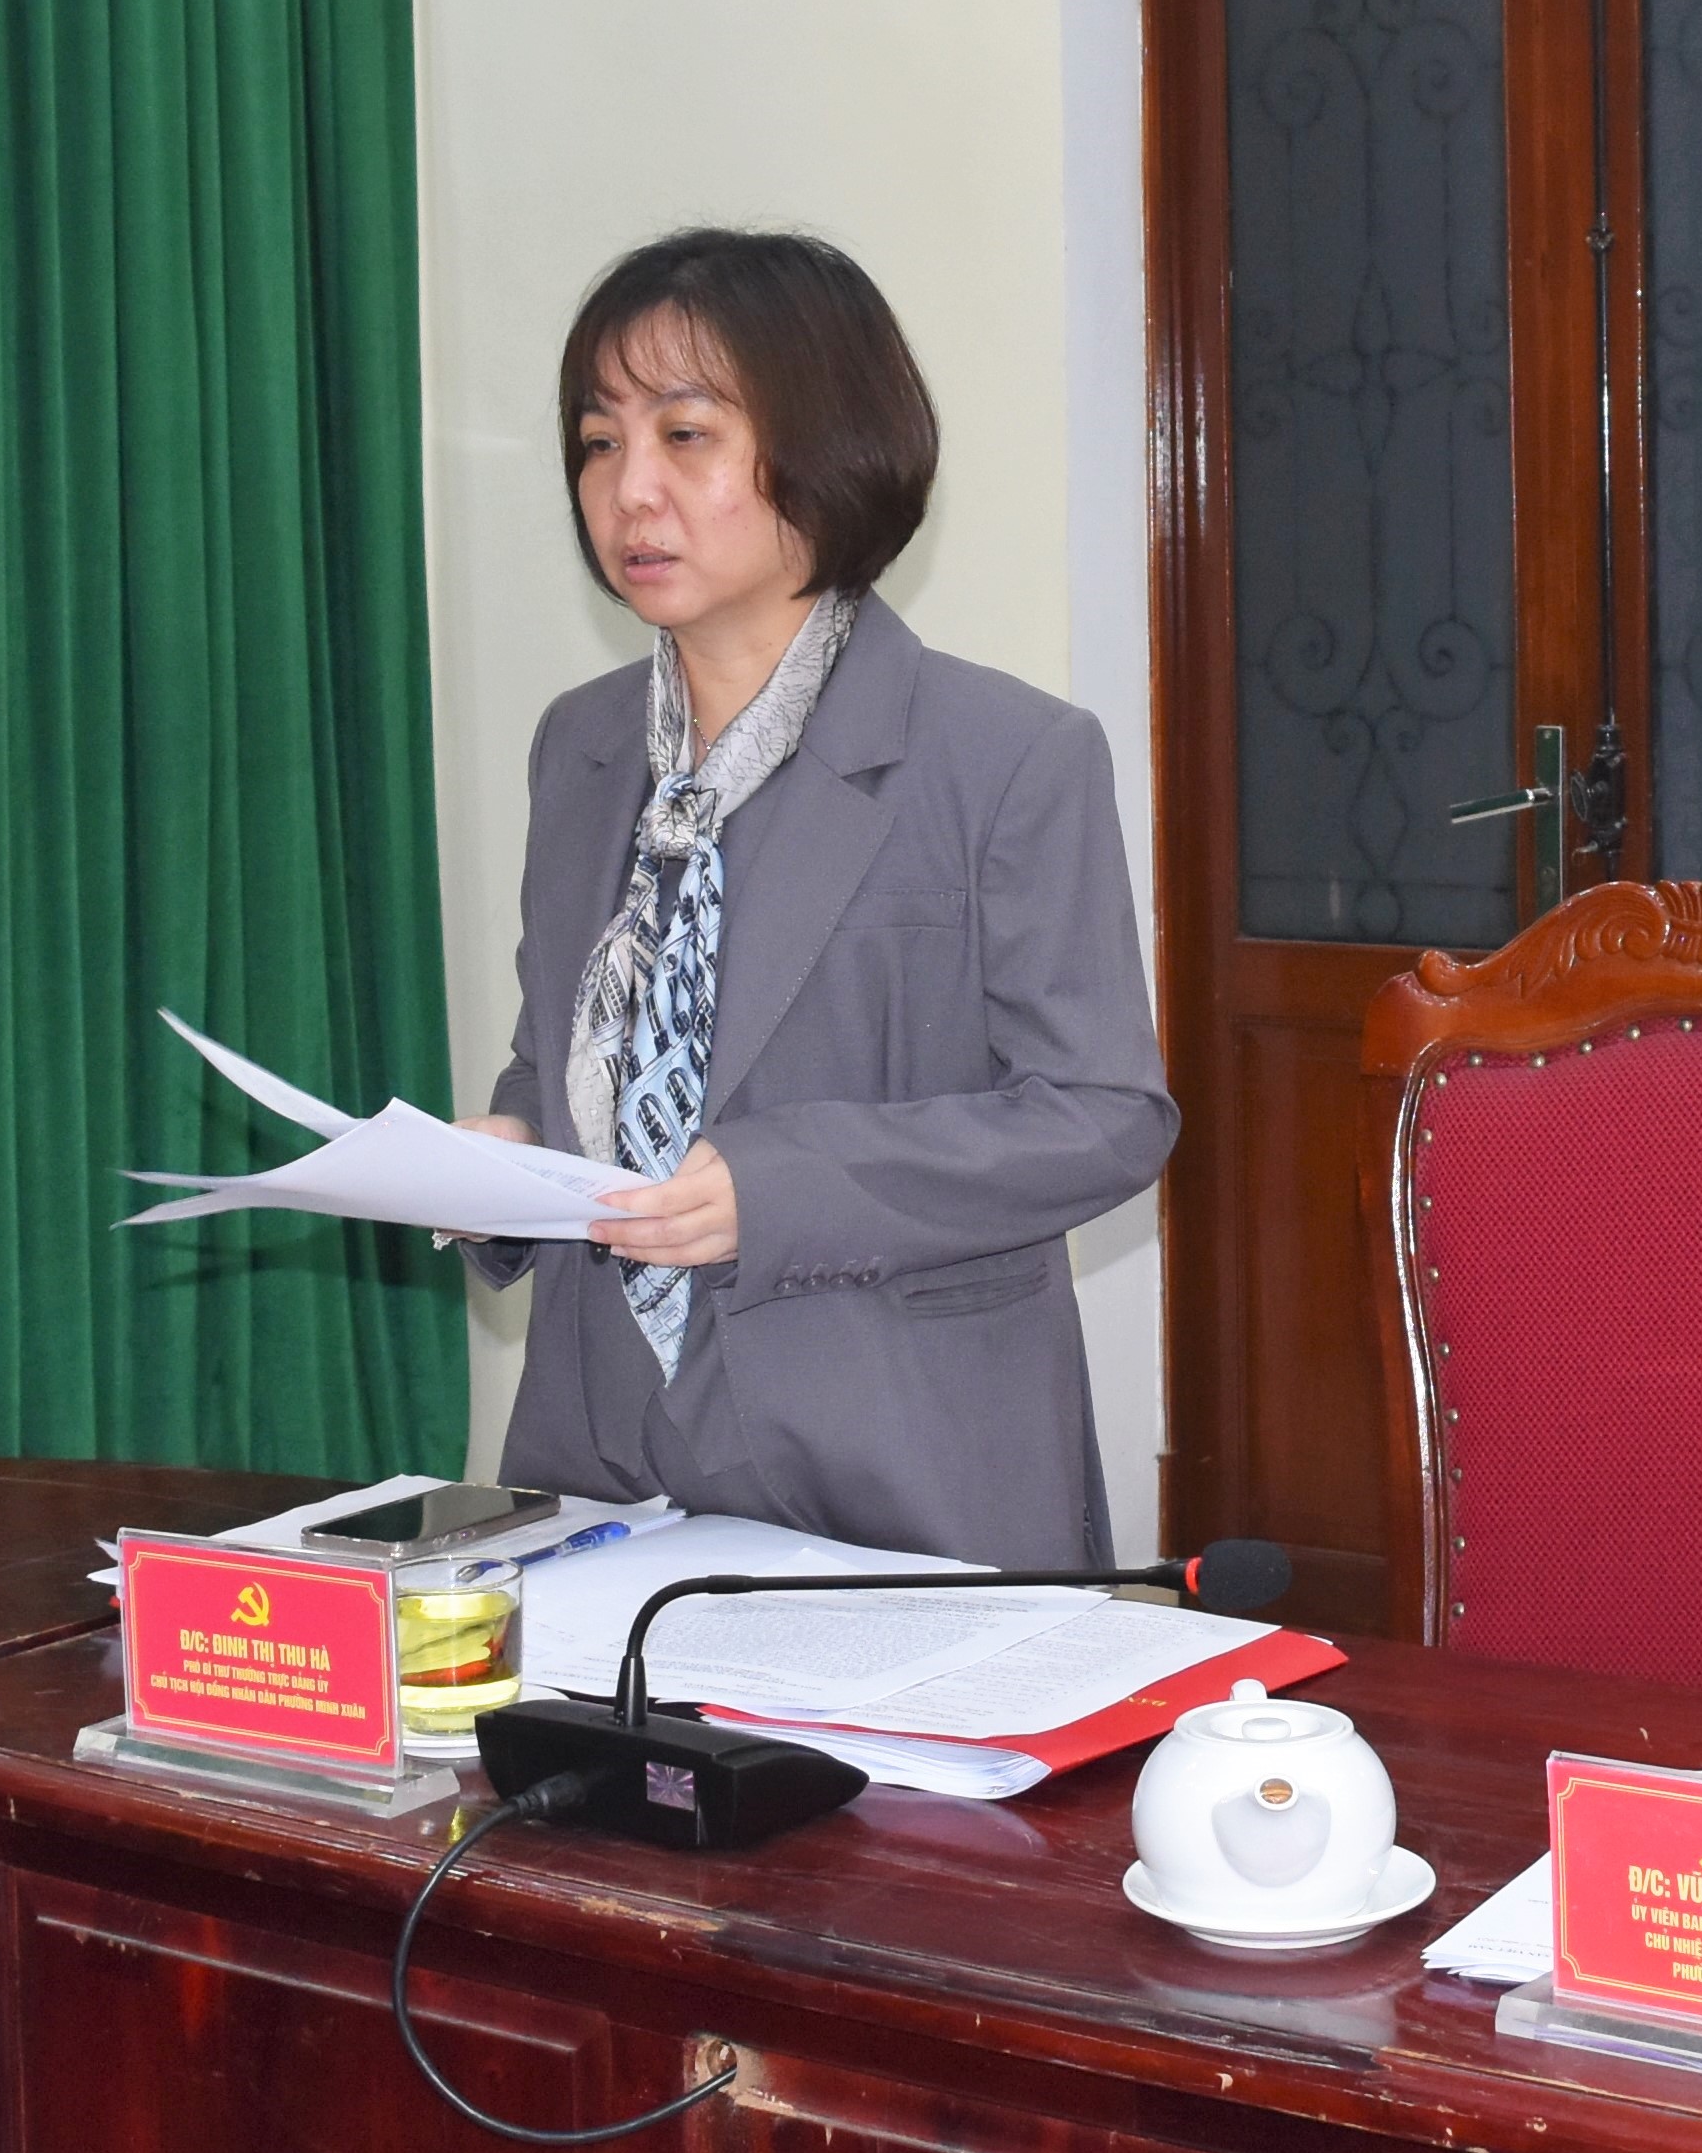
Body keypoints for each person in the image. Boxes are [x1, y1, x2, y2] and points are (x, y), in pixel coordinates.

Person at [451, 230, 1176, 1568]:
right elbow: (564, 1046)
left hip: (896, 1470)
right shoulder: (582, 745)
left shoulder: (1004, 755)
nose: (629, 489)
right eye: (599, 442)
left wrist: (780, 1187)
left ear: (829, 447)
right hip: (598, 1459)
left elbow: (1103, 1116)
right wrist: (505, 1151)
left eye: (685, 435)